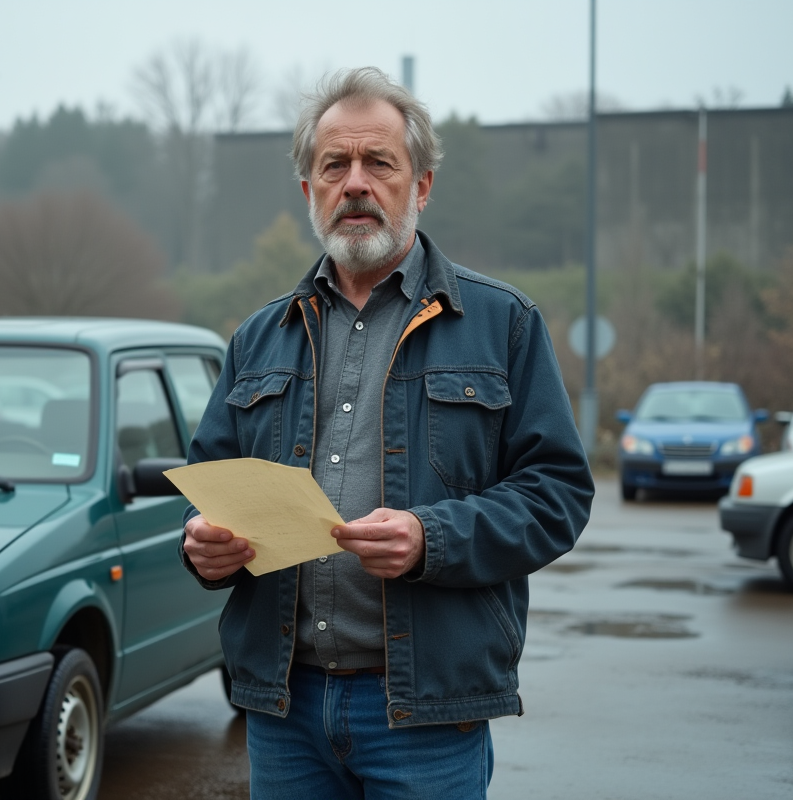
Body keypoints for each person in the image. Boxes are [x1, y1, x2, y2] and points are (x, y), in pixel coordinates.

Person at [180, 66, 593, 799]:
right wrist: (205, 548)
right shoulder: (258, 336)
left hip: (425, 715)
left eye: (380, 163)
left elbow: (557, 494)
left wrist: (431, 538)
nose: (356, 183)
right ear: (310, 192)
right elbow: (211, 488)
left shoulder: (504, 325)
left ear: (422, 186)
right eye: (334, 165)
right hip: (282, 708)